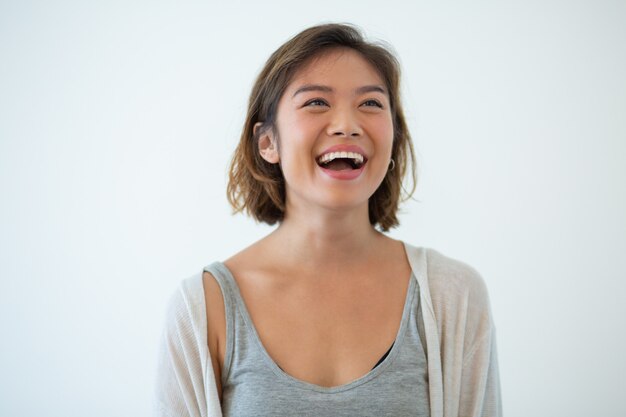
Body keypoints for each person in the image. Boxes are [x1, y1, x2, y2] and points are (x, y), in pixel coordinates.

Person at [153, 23, 502, 417]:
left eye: (370, 103)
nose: (346, 125)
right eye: (316, 102)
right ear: (268, 142)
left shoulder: (453, 295)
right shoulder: (202, 309)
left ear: (393, 139)